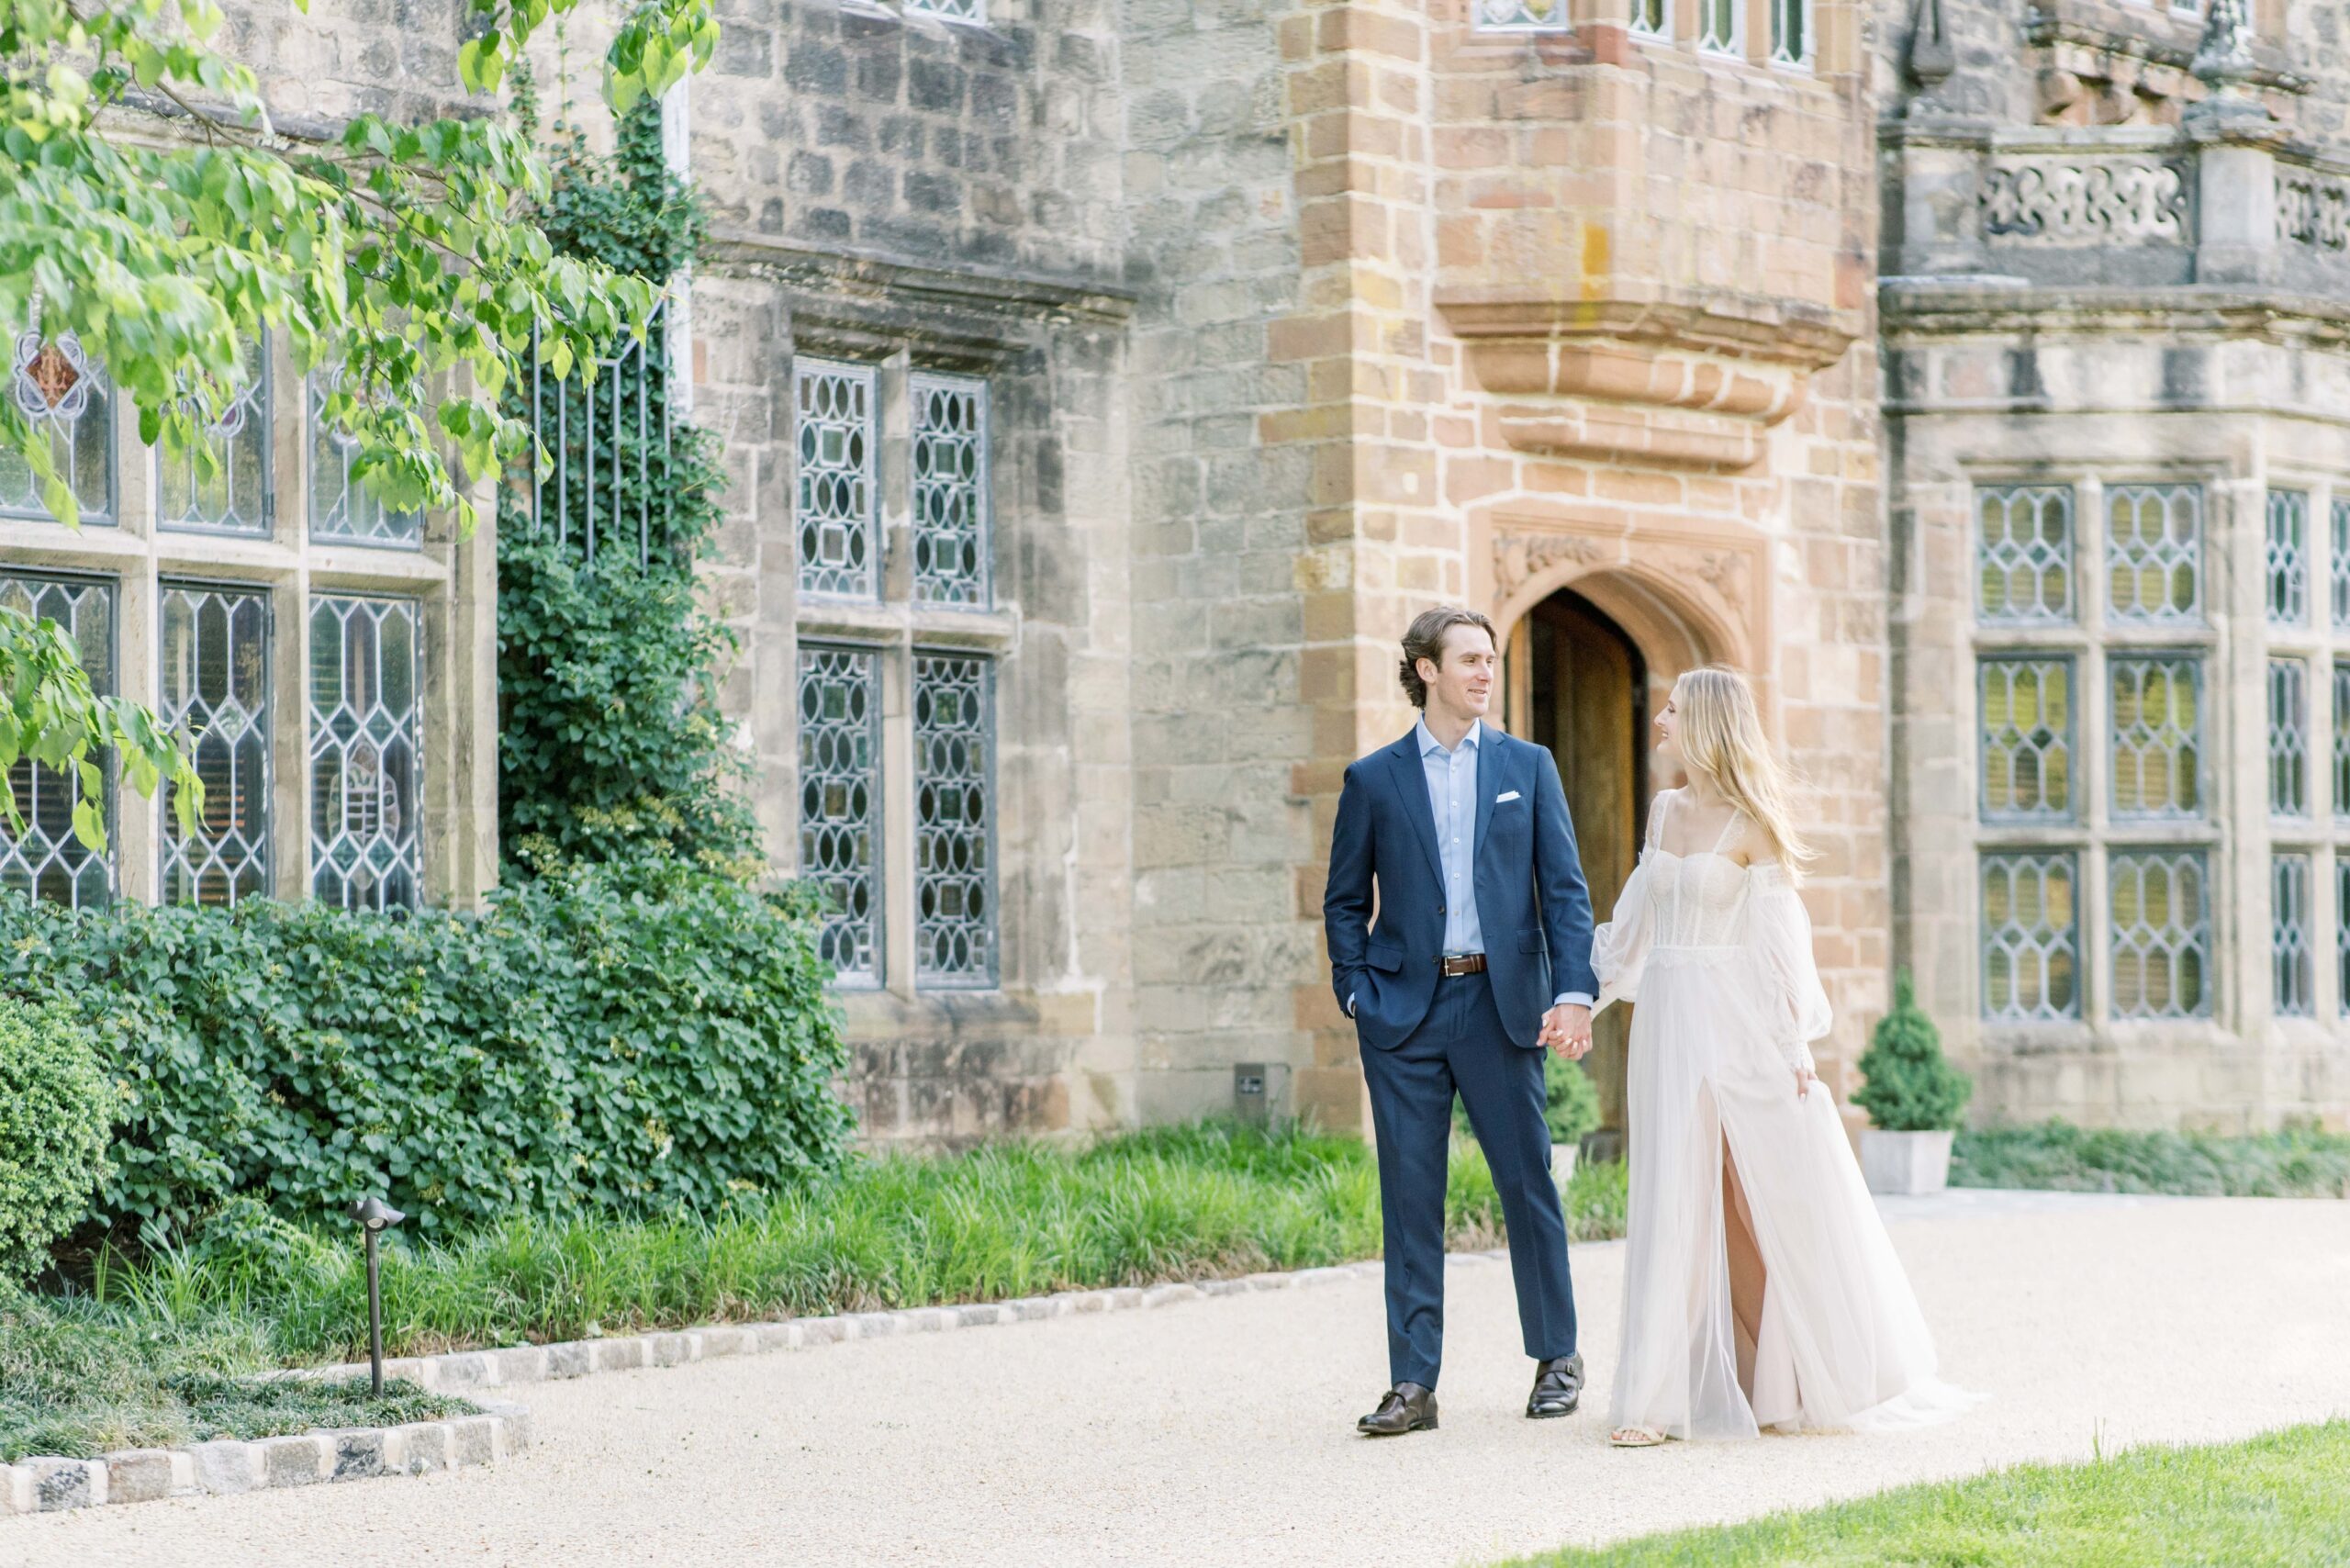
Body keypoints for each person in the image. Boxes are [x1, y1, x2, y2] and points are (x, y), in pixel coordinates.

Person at [1592, 666, 1980, 1446]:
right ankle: (1655, 1399)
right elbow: (1633, 920)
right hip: (1667, 1025)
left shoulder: (1753, 825)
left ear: (1705, 722)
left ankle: (1792, 1375)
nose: (1659, 720)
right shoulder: (1665, 812)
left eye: (1670, 710)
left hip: (1735, 1024)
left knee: (1750, 1196)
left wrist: (1793, 1040)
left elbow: (1779, 943)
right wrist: (1581, 995)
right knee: (1673, 1191)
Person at [1323, 606, 1600, 1438]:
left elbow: (1565, 893)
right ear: (1426, 670)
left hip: (1498, 1005)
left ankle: (1557, 1356)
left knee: (1528, 1184)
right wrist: (1354, 991)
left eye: (1491, 659)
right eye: (1470, 660)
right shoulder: (1373, 778)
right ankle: (1414, 1384)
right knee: (1410, 1200)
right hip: (1402, 1014)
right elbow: (1342, 901)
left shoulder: (1529, 765)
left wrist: (1574, 991)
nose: (1486, 672)